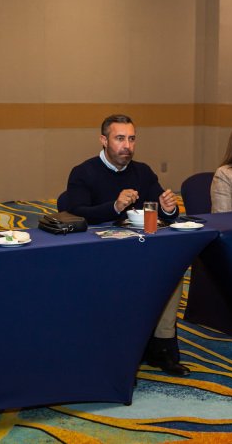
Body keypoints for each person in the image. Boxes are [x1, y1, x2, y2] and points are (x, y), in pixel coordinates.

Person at [65, 114, 188, 376]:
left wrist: (168, 208)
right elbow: (75, 213)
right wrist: (115, 206)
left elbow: (161, 210)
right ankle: (121, 351)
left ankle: (162, 345)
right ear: (103, 140)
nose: (127, 146)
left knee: (172, 268)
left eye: (132, 139)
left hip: (139, 248)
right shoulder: (83, 173)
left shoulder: (142, 172)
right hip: (100, 253)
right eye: (120, 139)